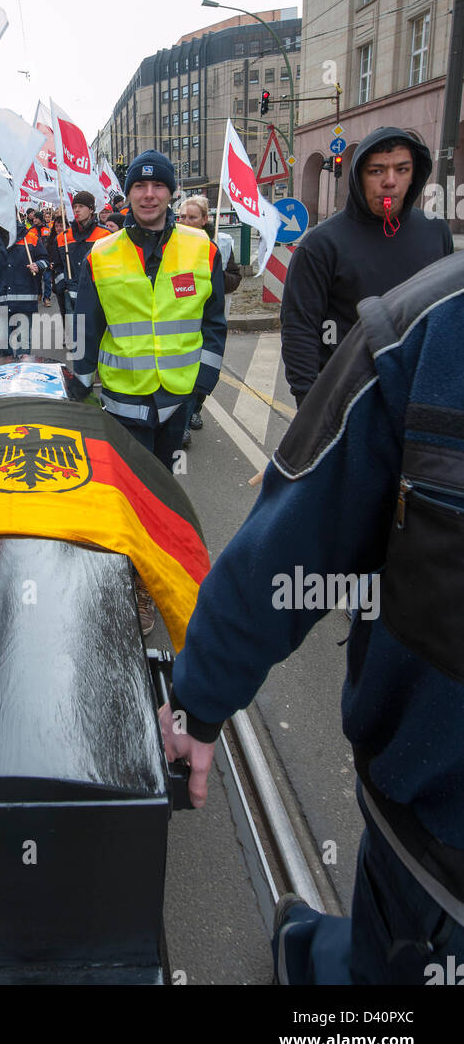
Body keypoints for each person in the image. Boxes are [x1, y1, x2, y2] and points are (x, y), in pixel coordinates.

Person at [159, 249, 464, 985]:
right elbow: (295, 543)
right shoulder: (426, 327)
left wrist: (199, 708)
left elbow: (290, 541)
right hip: (433, 835)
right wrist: (201, 701)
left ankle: (313, 952)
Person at [69, 150, 225, 467]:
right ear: (128, 193)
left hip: (179, 399)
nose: (149, 194)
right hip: (122, 400)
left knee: (168, 486)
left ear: (171, 192)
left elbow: (214, 323)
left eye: (158, 185)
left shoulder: (203, 249)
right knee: (131, 490)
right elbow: (85, 329)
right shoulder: (101, 254)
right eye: (140, 185)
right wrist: (80, 392)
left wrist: (202, 385)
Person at [280, 127, 453, 407]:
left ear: (415, 174)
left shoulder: (435, 231)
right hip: (348, 399)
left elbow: (446, 315)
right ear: (359, 176)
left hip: (420, 396)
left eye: (402, 169)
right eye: (377, 171)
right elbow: (300, 328)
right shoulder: (321, 244)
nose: (390, 181)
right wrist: (309, 404)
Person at [177, 194, 241, 438]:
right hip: (182, 317)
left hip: (208, 316)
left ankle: (195, 408)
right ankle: (182, 417)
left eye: (192, 217)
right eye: (182, 216)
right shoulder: (172, 243)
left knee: (203, 366)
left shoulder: (219, 244)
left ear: (204, 219)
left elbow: (234, 277)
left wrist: (214, 277)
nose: (186, 221)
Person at [0, 214, 47, 357]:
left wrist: (38, 265)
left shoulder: (30, 237)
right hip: (0, 299)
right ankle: (7, 372)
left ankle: (23, 374)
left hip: (24, 299)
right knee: (2, 342)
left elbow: (44, 258)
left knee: (23, 343)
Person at [53, 191, 110, 315]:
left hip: (97, 297)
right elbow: (57, 267)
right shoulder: (62, 237)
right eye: (74, 207)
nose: (76, 210)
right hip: (70, 298)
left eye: (81, 206)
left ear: (91, 210)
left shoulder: (106, 235)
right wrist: (63, 287)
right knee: (73, 333)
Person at [24, 207, 53, 307]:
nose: (34, 220)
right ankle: (39, 293)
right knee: (37, 279)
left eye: (36, 218)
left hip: (47, 257)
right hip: (35, 258)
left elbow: (51, 243)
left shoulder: (47, 229)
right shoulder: (30, 231)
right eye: (34, 218)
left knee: (47, 279)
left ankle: (47, 298)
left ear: (40, 218)